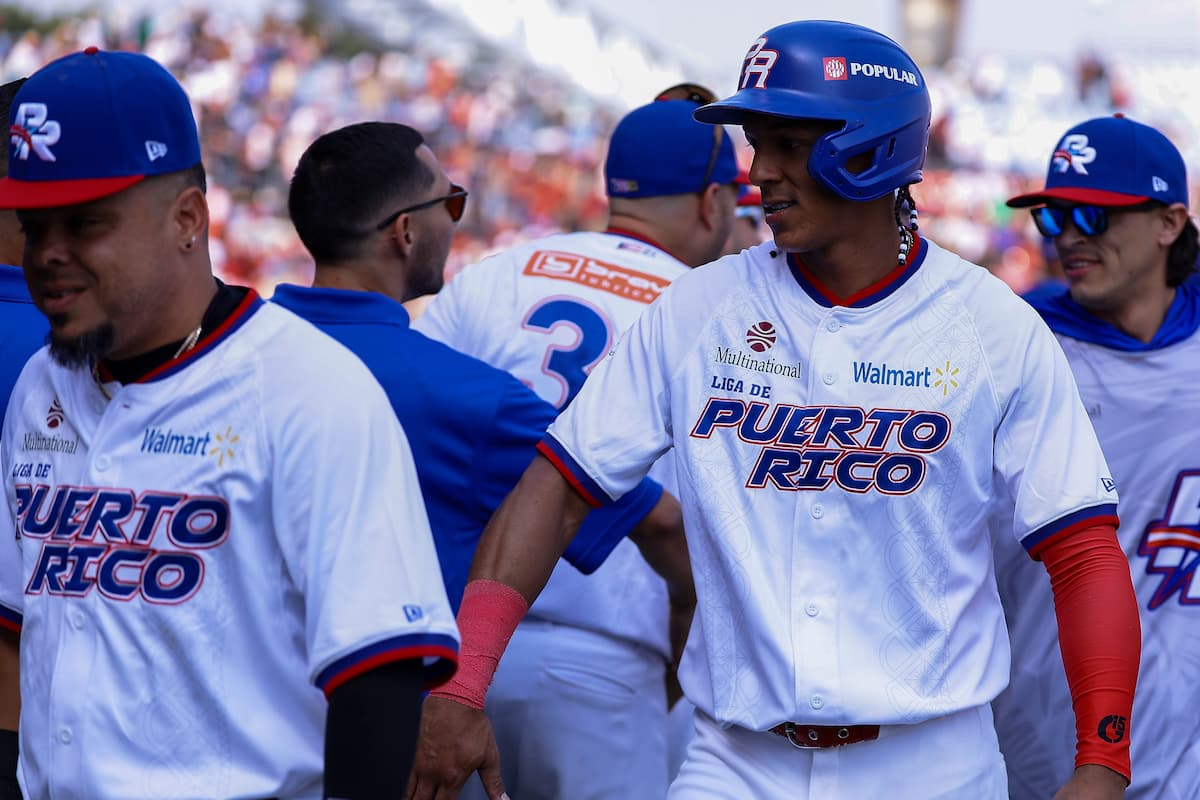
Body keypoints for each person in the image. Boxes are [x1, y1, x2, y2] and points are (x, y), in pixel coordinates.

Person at [407, 20, 1142, 800]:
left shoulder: (993, 326)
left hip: (933, 764)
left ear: (872, 149)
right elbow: (556, 486)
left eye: (791, 145)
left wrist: (1103, 760)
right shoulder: (697, 308)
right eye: (759, 145)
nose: (762, 174)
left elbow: (1082, 550)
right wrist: (465, 680)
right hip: (735, 760)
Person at [0, 49, 459, 800]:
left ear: (187, 218)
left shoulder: (310, 388)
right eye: (33, 225)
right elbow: (15, 629)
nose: (48, 255)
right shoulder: (38, 387)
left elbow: (378, 670)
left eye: (84, 223)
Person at [413, 96, 738, 800]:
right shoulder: (717, 310)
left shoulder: (499, 272)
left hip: (456, 647)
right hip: (609, 660)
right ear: (712, 202)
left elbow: (409, 444)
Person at [274, 120, 689, 615]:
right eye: (450, 203)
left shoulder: (228, 344)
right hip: (377, 654)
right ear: (405, 232)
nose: (456, 221)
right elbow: (660, 521)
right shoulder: (472, 397)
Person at [993, 115, 1200, 800]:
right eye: (1053, 217)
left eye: (1094, 215)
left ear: (1169, 222)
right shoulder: (1014, 347)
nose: (1069, 237)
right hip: (1039, 747)